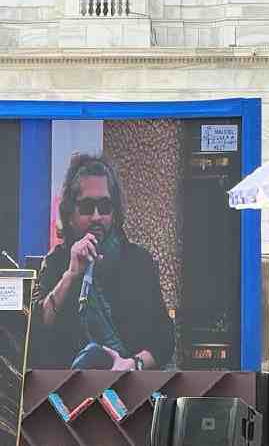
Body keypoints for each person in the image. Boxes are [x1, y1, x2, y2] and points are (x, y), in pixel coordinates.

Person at [30, 154, 174, 370]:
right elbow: (37, 330)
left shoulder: (138, 262)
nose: (97, 217)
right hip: (66, 393)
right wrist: (70, 275)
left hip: (129, 388)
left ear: (114, 213)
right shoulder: (57, 261)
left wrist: (132, 364)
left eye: (105, 207)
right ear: (70, 214)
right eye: (87, 207)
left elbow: (164, 339)